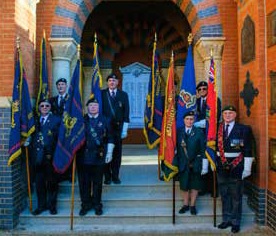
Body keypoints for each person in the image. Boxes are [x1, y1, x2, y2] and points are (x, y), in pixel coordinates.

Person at [215, 105, 254, 234]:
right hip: (221, 166)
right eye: (225, 113)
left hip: (237, 167)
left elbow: (248, 149)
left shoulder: (243, 129)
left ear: (235, 115)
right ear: (223, 115)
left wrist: (247, 168)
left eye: (230, 113)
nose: (227, 115)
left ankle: (236, 222)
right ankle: (226, 219)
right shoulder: (217, 129)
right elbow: (213, 148)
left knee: (236, 196)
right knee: (224, 195)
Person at [77, 98, 114, 216]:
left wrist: (109, 153)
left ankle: (97, 204)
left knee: (97, 183)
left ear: (98, 107)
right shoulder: (81, 120)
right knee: (84, 183)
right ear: (87, 107)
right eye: (91, 105)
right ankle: (85, 205)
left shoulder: (105, 120)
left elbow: (110, 138)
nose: (93, 107)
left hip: (99, 156)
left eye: (95, 105)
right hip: (83, 157)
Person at [30, 99, 61, 215]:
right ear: (38, 108)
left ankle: (52, 206)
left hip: (50, 157)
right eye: (42, 106)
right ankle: (41, 206)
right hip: (37, 157)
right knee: (39, 183)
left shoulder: (56, 120)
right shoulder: (34, 120)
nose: (44, 107)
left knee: (52, 183)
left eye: (47, 106)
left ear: (50, 108)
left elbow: (59, 139)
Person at [176, 111, 208, 215]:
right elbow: (174, 148)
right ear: (183, 120)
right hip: (183, 163)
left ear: (194, 121)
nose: (189, 121)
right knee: (184, 185)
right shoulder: (179, 132)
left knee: (195, 185)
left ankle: (193, 205)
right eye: (187, 119)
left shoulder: (198, 132)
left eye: (191, 119)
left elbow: (203, 149)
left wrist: (204, 164)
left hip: (195, 163)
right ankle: (185, 205)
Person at [194, 80, 221, 197]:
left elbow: (215, 116)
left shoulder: (214, 100)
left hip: (210, 135)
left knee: (211, 160)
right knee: (201, 161)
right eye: (199, 90)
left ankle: (213, 189)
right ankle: (203, 188)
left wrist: (202, 123)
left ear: (208, 89)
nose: (202, 91)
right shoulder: (197, 101)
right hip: (199, 135)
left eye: (204, 89)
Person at [101, 73, 130, 185]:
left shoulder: (123, 95)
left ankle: (115, 176)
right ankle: (107, 177)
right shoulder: (102, 94)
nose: (112, 82)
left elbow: (126, 112)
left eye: (114, 80)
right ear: (107, 83)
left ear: (117, 82)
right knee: (106, 153)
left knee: (117, 154)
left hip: (118, 128)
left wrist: (125, 129)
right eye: (110, 80)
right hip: (105, 129)